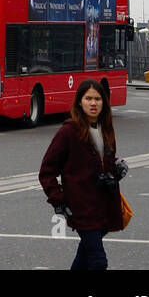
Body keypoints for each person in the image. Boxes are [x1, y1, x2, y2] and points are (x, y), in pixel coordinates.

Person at [39, 80, 129, 270]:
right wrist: (59, 200)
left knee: (84, 258)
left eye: (97, 99)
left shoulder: (106, 129)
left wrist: (116, 169)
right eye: (88, 98)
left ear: (104, 102)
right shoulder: (68, 132)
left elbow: (101, 163)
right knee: (98, 262)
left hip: (104, 205)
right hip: (82, 208)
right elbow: (46, 171)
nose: (93, 103)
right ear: (79, 102)